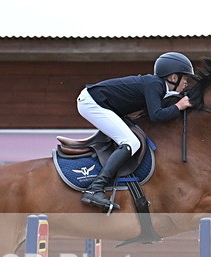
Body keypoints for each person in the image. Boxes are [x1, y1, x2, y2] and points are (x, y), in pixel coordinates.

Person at [77, 51, 194, 210]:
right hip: (92, 103)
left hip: (100, 103)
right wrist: (179, 106)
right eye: (185, 78)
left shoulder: (156, 86)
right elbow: (156, 115)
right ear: (174, 77)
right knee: (131, 142)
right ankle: (95, 189)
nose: (186, 83)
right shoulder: (154, 84)